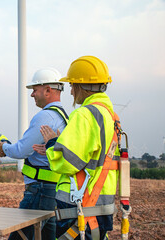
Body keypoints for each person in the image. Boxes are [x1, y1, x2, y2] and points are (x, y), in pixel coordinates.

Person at [35, 56, 120, 240]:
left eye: (73, 85)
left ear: (82, 86)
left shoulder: (84, 114)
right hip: (101, 205)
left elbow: (66, 162)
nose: (71, 92)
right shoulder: (110, 116)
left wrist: (52, 143)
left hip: (79, 205)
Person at [0, 67, 68, 240]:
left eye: (35, 90)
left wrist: (4, 147)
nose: (32, 95)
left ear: (48, 90)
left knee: (21, 236)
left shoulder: (45, 117)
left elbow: (22, 150)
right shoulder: (64, 116)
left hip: (39, 190)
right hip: (52, 189)